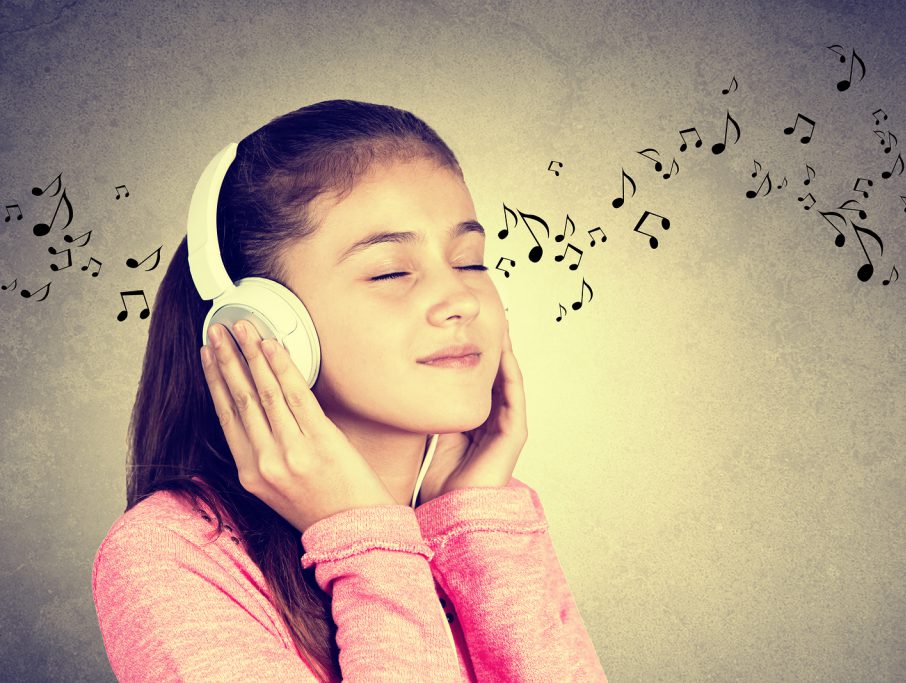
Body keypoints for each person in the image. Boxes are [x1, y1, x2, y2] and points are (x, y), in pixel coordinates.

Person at [91, 99, 608, 682]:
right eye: (391, 271)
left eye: (469, 262)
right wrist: (363, 540)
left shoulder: (481, 516)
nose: (464, 300)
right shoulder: (173, 553)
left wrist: (478, 528)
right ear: (259, 322)